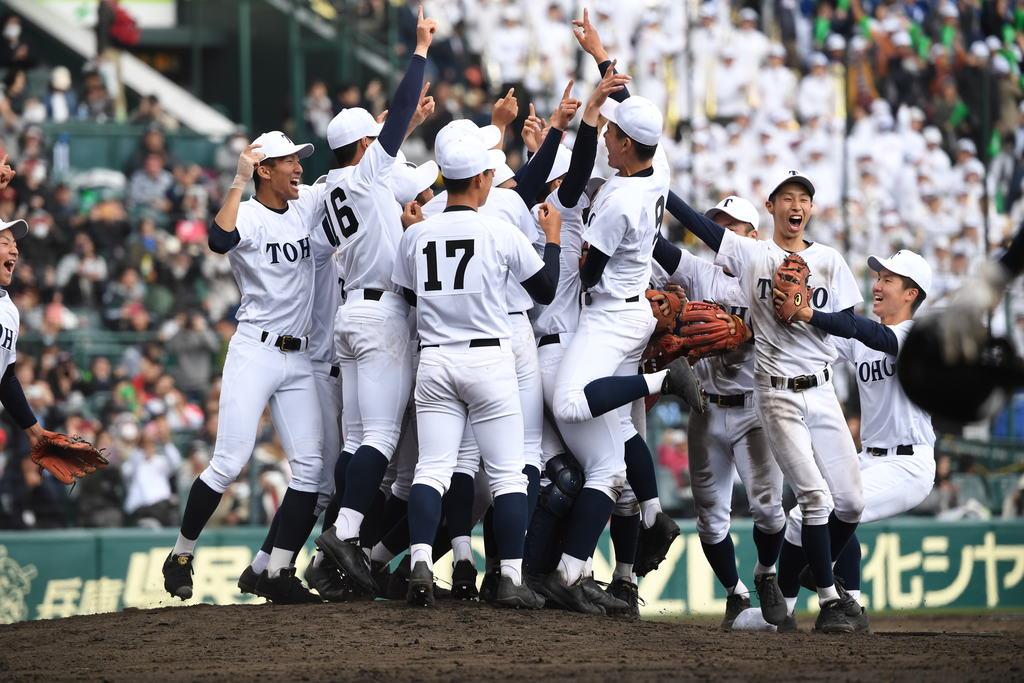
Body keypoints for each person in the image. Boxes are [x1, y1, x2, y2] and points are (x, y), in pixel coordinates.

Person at [675, 169, 867, 634]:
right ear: (772, 206)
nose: (796, 205)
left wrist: (808, 311)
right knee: (814, 499)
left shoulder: (830, 260)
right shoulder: (751, 253)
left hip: (821, 389)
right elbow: (703, 230)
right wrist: (653, 182)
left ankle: (804, 570)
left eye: (803, 197)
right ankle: (828, 600)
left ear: (811, 208)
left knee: (852, 502)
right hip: (775, 392)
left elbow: (849, 325)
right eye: (787, 197)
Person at [390, 132, 560, 609]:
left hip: (436, 358)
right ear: (483, 180)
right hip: (488, 357)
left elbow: (405, 295)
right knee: (508, 476)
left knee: (433, 468)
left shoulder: (417, 232)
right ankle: (509, 578)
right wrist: (552, 240)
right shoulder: (498, 231)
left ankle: (421, 564)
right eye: (489, 175)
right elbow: (545, 289)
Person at [162, 131, 326, 604]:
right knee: (229, 462)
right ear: (264, 170)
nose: (298, 167)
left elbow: (348, 180)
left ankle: (276, 572)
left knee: (311, 473)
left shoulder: (304, 203)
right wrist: (237, 179)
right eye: (288, 161)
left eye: (299, 159)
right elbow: (218, 239)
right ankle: (181, 553)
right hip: (256, 349)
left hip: (298, 357)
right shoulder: (250, 215)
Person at [311, 5, 437, 596]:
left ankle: (329, 556)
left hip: (348, 315)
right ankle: (345, 532)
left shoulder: (330, 186)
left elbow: (387, 162)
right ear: (364, 144)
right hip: (383, 314)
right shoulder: (365, 176)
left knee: (360, 442)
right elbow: (387, 143)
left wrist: (397, 131)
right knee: (383, 442)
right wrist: (418, 50)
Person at [773, 249, 935, 631]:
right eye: (877, 278)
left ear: (911, 294)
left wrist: (810, 312)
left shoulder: (916, 335)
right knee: (801, 516)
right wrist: (784, 308)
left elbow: (867, 332)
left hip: (909, 463)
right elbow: (823, 337)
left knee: (829, 507)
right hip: (869, 457)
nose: (876, 286)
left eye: (888, 280)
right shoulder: (865, 338)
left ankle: (825, 585)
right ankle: (794, 612)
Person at [652, 194, 788, 629]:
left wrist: (750, 335)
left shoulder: (768, 275)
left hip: (755, 411)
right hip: (707, 411)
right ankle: (735, 592)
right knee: (710, 521)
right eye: (718, 225)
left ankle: (765, 574)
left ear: (753, 233)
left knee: (769, 510)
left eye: (733, 226)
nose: (723, 233)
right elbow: (656, 247)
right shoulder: (697, 271)